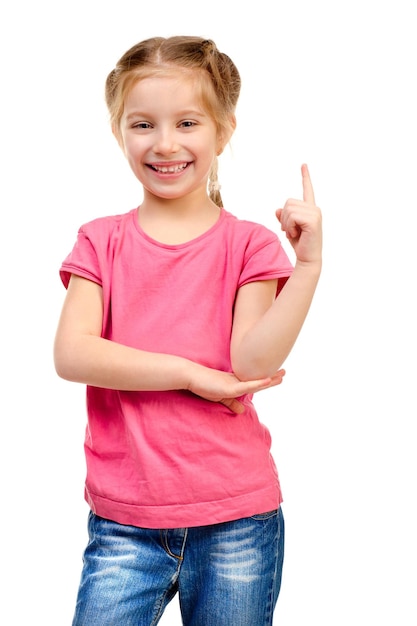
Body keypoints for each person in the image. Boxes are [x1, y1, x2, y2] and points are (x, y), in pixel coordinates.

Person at [53, 35, 322, 626]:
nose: (165, 143)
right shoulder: (101, 240)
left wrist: (306, 268)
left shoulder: (248, 244)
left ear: (223, 130)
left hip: (237, 520)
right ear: (119, 131)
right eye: (143, 124)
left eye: (188, 122)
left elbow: (250, 364)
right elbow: (72, 354)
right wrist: (186, 373)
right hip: (124, 524)